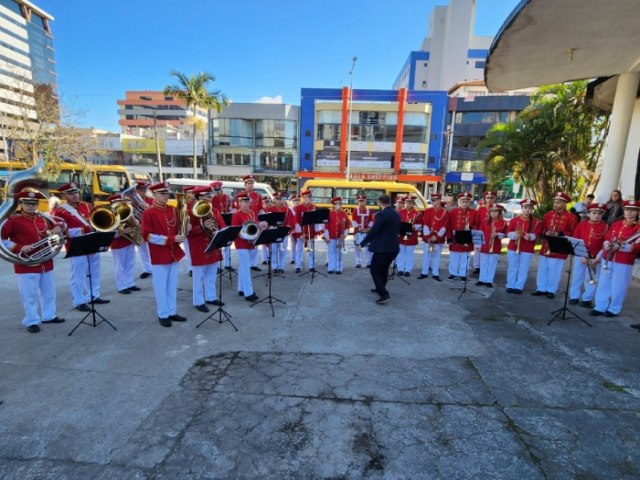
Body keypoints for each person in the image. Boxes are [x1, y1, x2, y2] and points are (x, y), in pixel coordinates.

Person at [1, 190, 66, 333]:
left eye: (34, 203)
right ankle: (31, 320)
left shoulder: (43, 218)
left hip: (45, 261)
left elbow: (60, 227)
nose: (31, 206)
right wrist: (19, 247)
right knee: (29, 295)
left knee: (49, 292)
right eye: (28, 203)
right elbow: (2, 240)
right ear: (21, 204)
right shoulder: (13, 220)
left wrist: (58, 227)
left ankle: (49, 315)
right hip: (26, 264)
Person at [53, 182, 110, 311]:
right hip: (76, 245)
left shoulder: (87, 205)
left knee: (94, 271)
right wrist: (85, 229)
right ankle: (79, 301)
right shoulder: (60, 211)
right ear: (63, 195)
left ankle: (93, 295)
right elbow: (65, 232)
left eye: (76, 192)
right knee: (78, 274)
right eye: (71, 193)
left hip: (93, 241)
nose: (75, 195)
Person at [140, 181, 189, 327]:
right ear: (154, 194)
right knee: (161, 286)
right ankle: (163, 314)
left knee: (172, 285)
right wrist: (171, 239)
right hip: (159, 255)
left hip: (173, 253)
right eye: (162, 193)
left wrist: (186, 228)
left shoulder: (172, 209)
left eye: (166, 193)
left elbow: (178, 228)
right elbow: (146, 236)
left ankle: (172, 311)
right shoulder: (149, 212)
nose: (166, 196)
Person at [591, 200, 640, 317]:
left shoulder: (638, 228)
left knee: (619, 285)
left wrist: (622, 246)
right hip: (608, 258)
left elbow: (638, 246)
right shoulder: (616, 224)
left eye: (632, 210)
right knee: (603, 283)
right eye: (627, 209)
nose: (629, 212)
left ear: (637, 212)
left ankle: (614, 309)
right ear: (624, 210)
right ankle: (600, 307)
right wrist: (607, 243)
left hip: (624, 260)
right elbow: (608, 237)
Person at [531, 192, 578, 299]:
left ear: (565, 204)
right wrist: (545, 232)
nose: (556, 204)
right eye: (555, 202)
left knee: (555, 270)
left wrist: (560, 234)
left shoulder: (571, 217)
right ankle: (541, 288)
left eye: (559, 202)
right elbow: (541, 229)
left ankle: (551, 290)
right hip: (546, 246)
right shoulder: (547, 215)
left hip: (559, 247)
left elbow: (573, 232)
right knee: (543, 268)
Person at [188, 186, 226, 313]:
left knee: (211, 275)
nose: (210, 198)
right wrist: (201, 226)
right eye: (207, 196)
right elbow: (186, 232)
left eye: (210, 196)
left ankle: (211, 297)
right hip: (199, 247)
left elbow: (222, 225)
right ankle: (198, 301)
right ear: (199, 197)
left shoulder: (215, 211)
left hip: (213, 246)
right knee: (198, 277)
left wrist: (219, 230)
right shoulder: (190, 212)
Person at [360, 195, 400, 304]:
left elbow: (374, 230)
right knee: (384, 269)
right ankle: (380, 287)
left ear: (380, 202)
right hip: (394, 247)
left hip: (383, 248)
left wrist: (363, 243)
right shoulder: (396, 213)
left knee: (374, 270)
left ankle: (384, 293)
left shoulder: (381, 214)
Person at [568, 202, 608, 308]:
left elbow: (605, 245)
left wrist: (597, 259)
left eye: (599, 213)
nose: (596, 215)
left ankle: (587, 299)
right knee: (577, 276)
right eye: (594, 213)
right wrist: (580, 255)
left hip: (595, 258)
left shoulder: (605, 227)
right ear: (589, 214)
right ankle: (574, 296)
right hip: (580, 256)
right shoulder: (582, 225)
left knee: (592, 279)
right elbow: (575, 240)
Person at [107, 194, 142, 295]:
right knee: (120, 266)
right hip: (117, 243)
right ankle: (121, 285)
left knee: (130, 264)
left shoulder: (126, 212)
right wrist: (122, 231)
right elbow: (108, 232)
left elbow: (134, 225)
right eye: (118, 203)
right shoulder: (109, 215)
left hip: (129, 241)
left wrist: (136, 222)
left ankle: (130, 283)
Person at [505, 199, 542, 294]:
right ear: (522, 208)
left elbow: (536, 234)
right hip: (514, 247)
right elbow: (508, 232)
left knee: (523, 268)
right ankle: (510, 285)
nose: (527, 210)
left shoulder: (536, 222)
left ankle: (519, 286)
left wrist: (529, 236)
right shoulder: (514, 220)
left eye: (529, 208)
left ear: (532, 209)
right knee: (512, 267)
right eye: (525, 207)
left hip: (527, 248)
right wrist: (514, 235)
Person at [232, 193, 260, 301]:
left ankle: (241, 289)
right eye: (244, 202)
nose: (246, 204)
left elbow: (255, 224)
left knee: (243, 267)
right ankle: (248, 293)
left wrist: (260, 226)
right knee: (246, 267)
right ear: (239, 203)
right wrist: (245, 236)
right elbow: (235, 230)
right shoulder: (237, 214)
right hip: (241, 243)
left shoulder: (252, 212)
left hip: (250, 243)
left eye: (248, 202)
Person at [234, 174, 264, 271]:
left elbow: (260, 208)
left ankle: (253, 264)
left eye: (252, 183)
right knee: (245, 240)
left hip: (254, 219)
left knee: (255, 244)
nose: (251, 185)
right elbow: (235, 208)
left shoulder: (258, 195)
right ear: (245, 184)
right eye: (249, 183)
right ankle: (247, 264)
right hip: (243, 220)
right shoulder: (239, 195)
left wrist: (262, 219)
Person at [446, 192, 479, 280]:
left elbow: (476, 225)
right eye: (463, 201)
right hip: (455, 237)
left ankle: (463, 274)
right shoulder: (453, 212)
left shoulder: (474, 212)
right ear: (459, 202)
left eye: (467, 201)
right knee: (454, 257)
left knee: (465, 257)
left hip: (467, 237)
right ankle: (453, 273)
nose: (465, 203)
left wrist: (471, 230)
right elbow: (448, 225)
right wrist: (449, 236)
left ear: (469, 202)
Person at [476, 204, 508, 288]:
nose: (493, 213)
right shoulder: (484, 221)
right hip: (484, 244)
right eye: (492, 211)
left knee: (492, 263)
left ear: (499, 212)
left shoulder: (504, 222)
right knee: (483, 263)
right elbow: (480, 233)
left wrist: (498, 234)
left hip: (495, 245)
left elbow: (505, 234)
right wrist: (478, 245)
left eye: (496, 211)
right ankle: (481, 279)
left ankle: (489, 280)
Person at [418, 193, 448, 281]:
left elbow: (445, 225)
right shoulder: (428, 211)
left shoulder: (445, 212)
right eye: (433, 200)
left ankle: (435, 273)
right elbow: (425, 224)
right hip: (428, 238)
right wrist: (428, 236)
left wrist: (437, 237)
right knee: (426, 255)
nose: (434, 202)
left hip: (438, 238)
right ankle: (424, 272)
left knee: (436, 256)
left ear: (440, 200)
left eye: (436, 200)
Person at [264, 192, 296, 273]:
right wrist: (270, 226)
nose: (279, 201)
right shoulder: (270, 209)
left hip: (283, 231)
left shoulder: (287, 209)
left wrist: (287, 227)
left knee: (283, 250)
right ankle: (275, 267)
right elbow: (265, 221)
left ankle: (281, 267)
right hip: (274, 231)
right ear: (274, 200)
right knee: (274, 249)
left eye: (280, 199)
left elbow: (292, 220)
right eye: (277, 199)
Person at [210, 180, 234, 272]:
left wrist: (231, 210)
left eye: (219, 190)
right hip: (216, 223)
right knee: (217, 244)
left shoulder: (227, 197)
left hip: (226, 222)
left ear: (221, 189)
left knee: (227, 244)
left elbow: (230, 208)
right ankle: (217, 266)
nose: (218, 192)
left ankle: (227, 264)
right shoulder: (212, 199)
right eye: (216, 191)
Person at [293, 190, 318, 273]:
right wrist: (299, 234)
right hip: (302, 231)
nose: (310, 199)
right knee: (299, 249)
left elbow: (316, 221)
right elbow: (296, 222)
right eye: (309, 197)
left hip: (311, 230)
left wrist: (316, 232)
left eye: (310, 197)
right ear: (304, 198)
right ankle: (298, 266)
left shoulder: (313, 207)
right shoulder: (298, 208)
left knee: (311, 250)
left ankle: (312, 266)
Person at [397, 195, 422, 277]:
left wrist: (414, 226)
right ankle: (400, 269)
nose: (409, 204)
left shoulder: (418, 213)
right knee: (401, 253)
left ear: (413, 204)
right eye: (407, 202)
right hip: (401, 236)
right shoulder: (400, 212)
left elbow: (421, 224)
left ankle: (408, 270)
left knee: (409, 254)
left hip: (411, 236)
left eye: (411, 203)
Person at [324, 196, 349, 274]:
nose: (339, 205)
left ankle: (339, 268)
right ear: (334, 205)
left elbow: (347, 226)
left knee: (339, 252)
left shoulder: (344, 214)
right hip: (331, 237)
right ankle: (331, 268)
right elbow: (326, 226)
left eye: (340, 204)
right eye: (338, 204)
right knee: (331, 252)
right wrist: (327, 236)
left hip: (339, 237)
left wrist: (344, 235)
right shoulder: (329, 214)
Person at [134, 181, 153, 279]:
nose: (143, 192)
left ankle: (153, 266)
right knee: (142, 249)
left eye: (144, 190)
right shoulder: (132, 201)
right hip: (138, 227)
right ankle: (146, 269)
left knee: (151, 248)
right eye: (141, 190)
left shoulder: (150, 200)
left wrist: (147, 207)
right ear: (136, 190)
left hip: (149, 227)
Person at [352, 195, 374, 268]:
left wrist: (369, 227)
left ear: (365, 202)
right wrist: (358, 227)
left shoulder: (369, 210)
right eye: (360, 201)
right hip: (357, 232)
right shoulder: (355, 210)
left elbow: (371, 220)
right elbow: (353, 220)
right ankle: (358, 262)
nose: (361, 203)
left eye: (363, 201)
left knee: (368, 247)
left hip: (366, 231)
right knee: (356, 247)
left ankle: (369, 262)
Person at [288, 195, 300, 265]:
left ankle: (298, 258)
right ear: (292, 202)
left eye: (298, 200)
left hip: (299, 229)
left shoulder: (301, 209)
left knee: (299, 244)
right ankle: (293, 258)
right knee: (293, 244)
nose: (297, 202)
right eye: (295, 201)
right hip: (293, 228)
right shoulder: (291, 209)